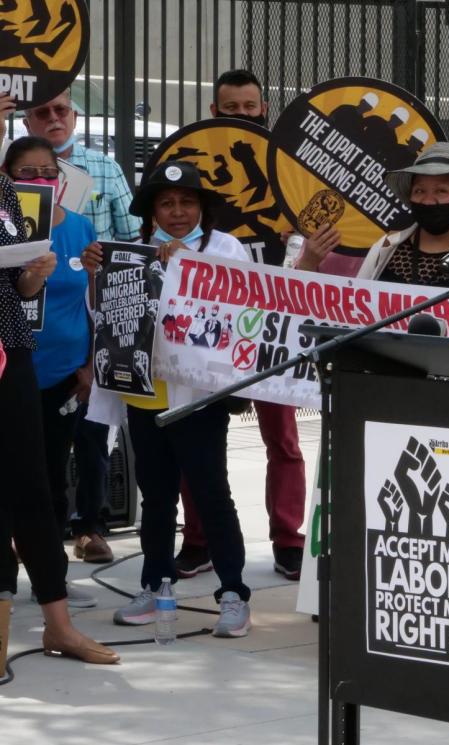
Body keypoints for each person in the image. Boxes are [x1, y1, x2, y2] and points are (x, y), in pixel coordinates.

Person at [99, 161, 254, 638]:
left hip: (198, 399)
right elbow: (109, 318)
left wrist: (179, 268)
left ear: (202, 207)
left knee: (211, 494)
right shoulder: (133, 252)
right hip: (146, 398)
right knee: (158, 497)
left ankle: (233, 593)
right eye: (167, 203)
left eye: (187, 202)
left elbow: (236, 306)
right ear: (151, 213)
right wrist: (96, 274)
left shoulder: (225, 248)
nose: (178, 211)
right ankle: (156, 583)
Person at [174, 69, 307, 582]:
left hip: (274, 319)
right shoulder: (193, 163)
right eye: (232, 108)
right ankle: (199, 539)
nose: (243, 116)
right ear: (215, 112)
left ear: (265, 109)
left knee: (284, 438)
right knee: (200, 438)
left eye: (250, 107)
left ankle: (289, 539)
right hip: (210, 323)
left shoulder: (289, 171)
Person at [0, 171, 118, 668]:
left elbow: (18, 289)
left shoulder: (6, 191)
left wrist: (35, 274)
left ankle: (59, 625)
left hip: (11, 351)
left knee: (30, 486)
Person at [24, 89, 144, 565]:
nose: (54, 118)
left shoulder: (106, 169)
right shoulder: (10, 186)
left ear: (74, 115)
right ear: (30, 121)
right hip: (24, 346)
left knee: (91, 436)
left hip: (89, 323)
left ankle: (89, 527)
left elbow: (131, 243)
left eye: (62, 110)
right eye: (43, 112)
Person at [297, 141, 449, 293]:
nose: (429, 201)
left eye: (441, 191)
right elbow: (355, 310)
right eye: (419, 191)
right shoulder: (385, 248)